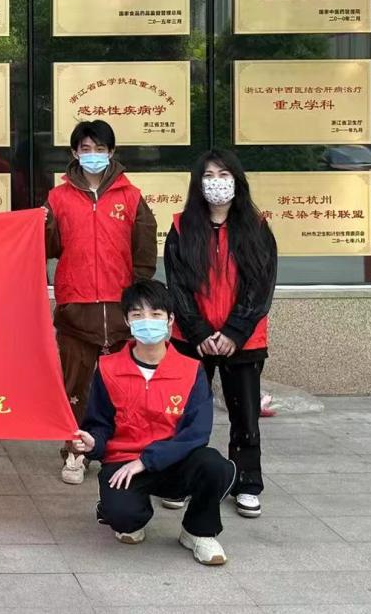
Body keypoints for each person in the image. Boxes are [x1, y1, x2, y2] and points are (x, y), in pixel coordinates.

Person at [72, 279, 236, 567]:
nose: (147, 321)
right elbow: (99, 422)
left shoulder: (190, 370)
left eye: (156, 314)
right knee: (125, 520)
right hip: (124, 463)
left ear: (170, 320)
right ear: (127, 321)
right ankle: (118, 509)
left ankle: (198, 531)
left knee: (214, 466)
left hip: (174, 461)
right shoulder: (109, 368)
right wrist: (93, 442)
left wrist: (147, 460)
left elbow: (196, 433)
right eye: (137, 315)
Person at [165, 149, 276, 520]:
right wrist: (198, 331)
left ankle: (247, 482)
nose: (216, 183)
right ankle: (180, 480)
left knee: (245, 416)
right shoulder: (181, 228)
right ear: (198, 184)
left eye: (223, 174)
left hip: (243, 341)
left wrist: (233, 332)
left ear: (237, 180)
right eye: (208, 176)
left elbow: (261, 287)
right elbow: (178, 286)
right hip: (191, 339)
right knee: (185, 413)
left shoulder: (257, 228)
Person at [47, 120, 157, 485]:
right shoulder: (58, 198)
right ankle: (75, 451)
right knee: (75, 386)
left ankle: (121, 450)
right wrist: (43, 225)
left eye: (99, 149)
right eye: (85, 149)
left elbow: (144, 253)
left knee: (123, 387)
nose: (92, 155)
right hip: (76, 309)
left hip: (121, 310)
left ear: (111, 153)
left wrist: (137, 303)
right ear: (74, 153)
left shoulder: (131, 196)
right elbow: (48, 247)